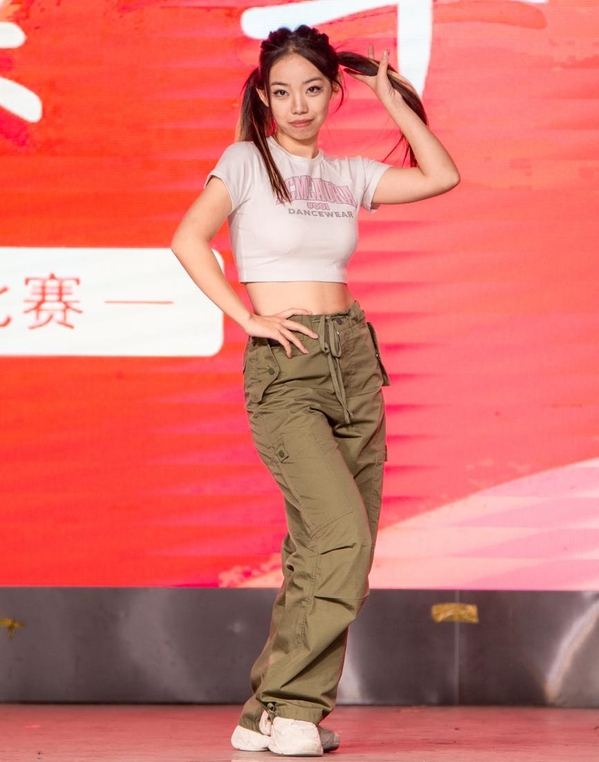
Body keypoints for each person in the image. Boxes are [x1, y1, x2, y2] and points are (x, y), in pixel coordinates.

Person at [171, 24, 459, 757]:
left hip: (352, 361)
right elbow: (187, 239)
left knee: (321, 553)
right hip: (287, 368)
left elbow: (439, 175)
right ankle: (297, 708)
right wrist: (247, 318)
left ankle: (263, 713)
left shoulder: (347, 174)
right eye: (281, 92)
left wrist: (392, 101)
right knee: (342, 539)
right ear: (264, 99)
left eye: (311, 89)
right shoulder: (245, 162)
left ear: (333, 93)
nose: (297, 105)